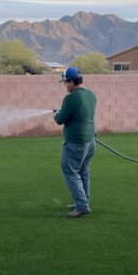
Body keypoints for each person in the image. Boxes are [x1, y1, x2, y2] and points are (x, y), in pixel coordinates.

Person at [53, 67, 97, 218]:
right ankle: (82, 201)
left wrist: (56, 114)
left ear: (71, 81)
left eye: (65, 82)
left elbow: (60, 120)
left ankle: (82, 206)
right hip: (90, 142)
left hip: (76, 143)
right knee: (83, 172)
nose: (65, 85)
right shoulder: (90, 94)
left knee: (70, 172)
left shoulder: (71, 97)